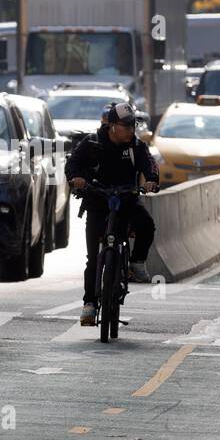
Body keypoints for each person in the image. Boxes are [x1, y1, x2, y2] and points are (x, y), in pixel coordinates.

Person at [65, 101, 158, 327]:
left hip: (126, 200)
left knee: (146, 225)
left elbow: (150, 165)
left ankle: (136, 263)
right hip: (98, 200)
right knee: (93, 259)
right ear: (112, 126)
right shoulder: (93, 143)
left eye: (132, 125)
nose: (130, 130)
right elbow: (72, 164)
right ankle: (89, 304)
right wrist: (76, 178)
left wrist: (152, 181)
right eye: (126, 126)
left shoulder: (136, 146)